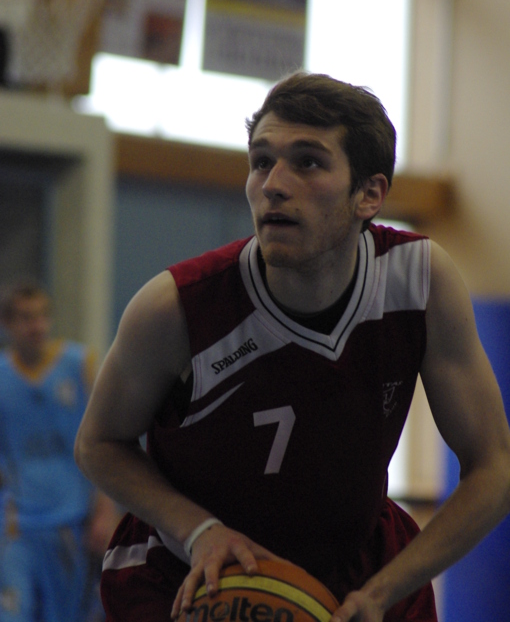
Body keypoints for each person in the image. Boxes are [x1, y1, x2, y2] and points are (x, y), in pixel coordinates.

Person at [74, 72, 510, 622]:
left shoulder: (420, 280)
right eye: (261, 162)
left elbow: (493, 468)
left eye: (307, 162)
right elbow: (99, 443)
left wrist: (384, 591)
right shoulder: (176, 307)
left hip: (361, 569)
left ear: (370, 194)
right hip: (193, 570)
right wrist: (198, 530)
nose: (273, 184)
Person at [0, 281, 119, 622]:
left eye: (42, 316)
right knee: (13, 612)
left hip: (70, 519)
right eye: (26, 318)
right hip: (17, 524)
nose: (36, 326)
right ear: (7, 324)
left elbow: (106, 441)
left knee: (64, 614)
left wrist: (105, 508)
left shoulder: (79, 364)